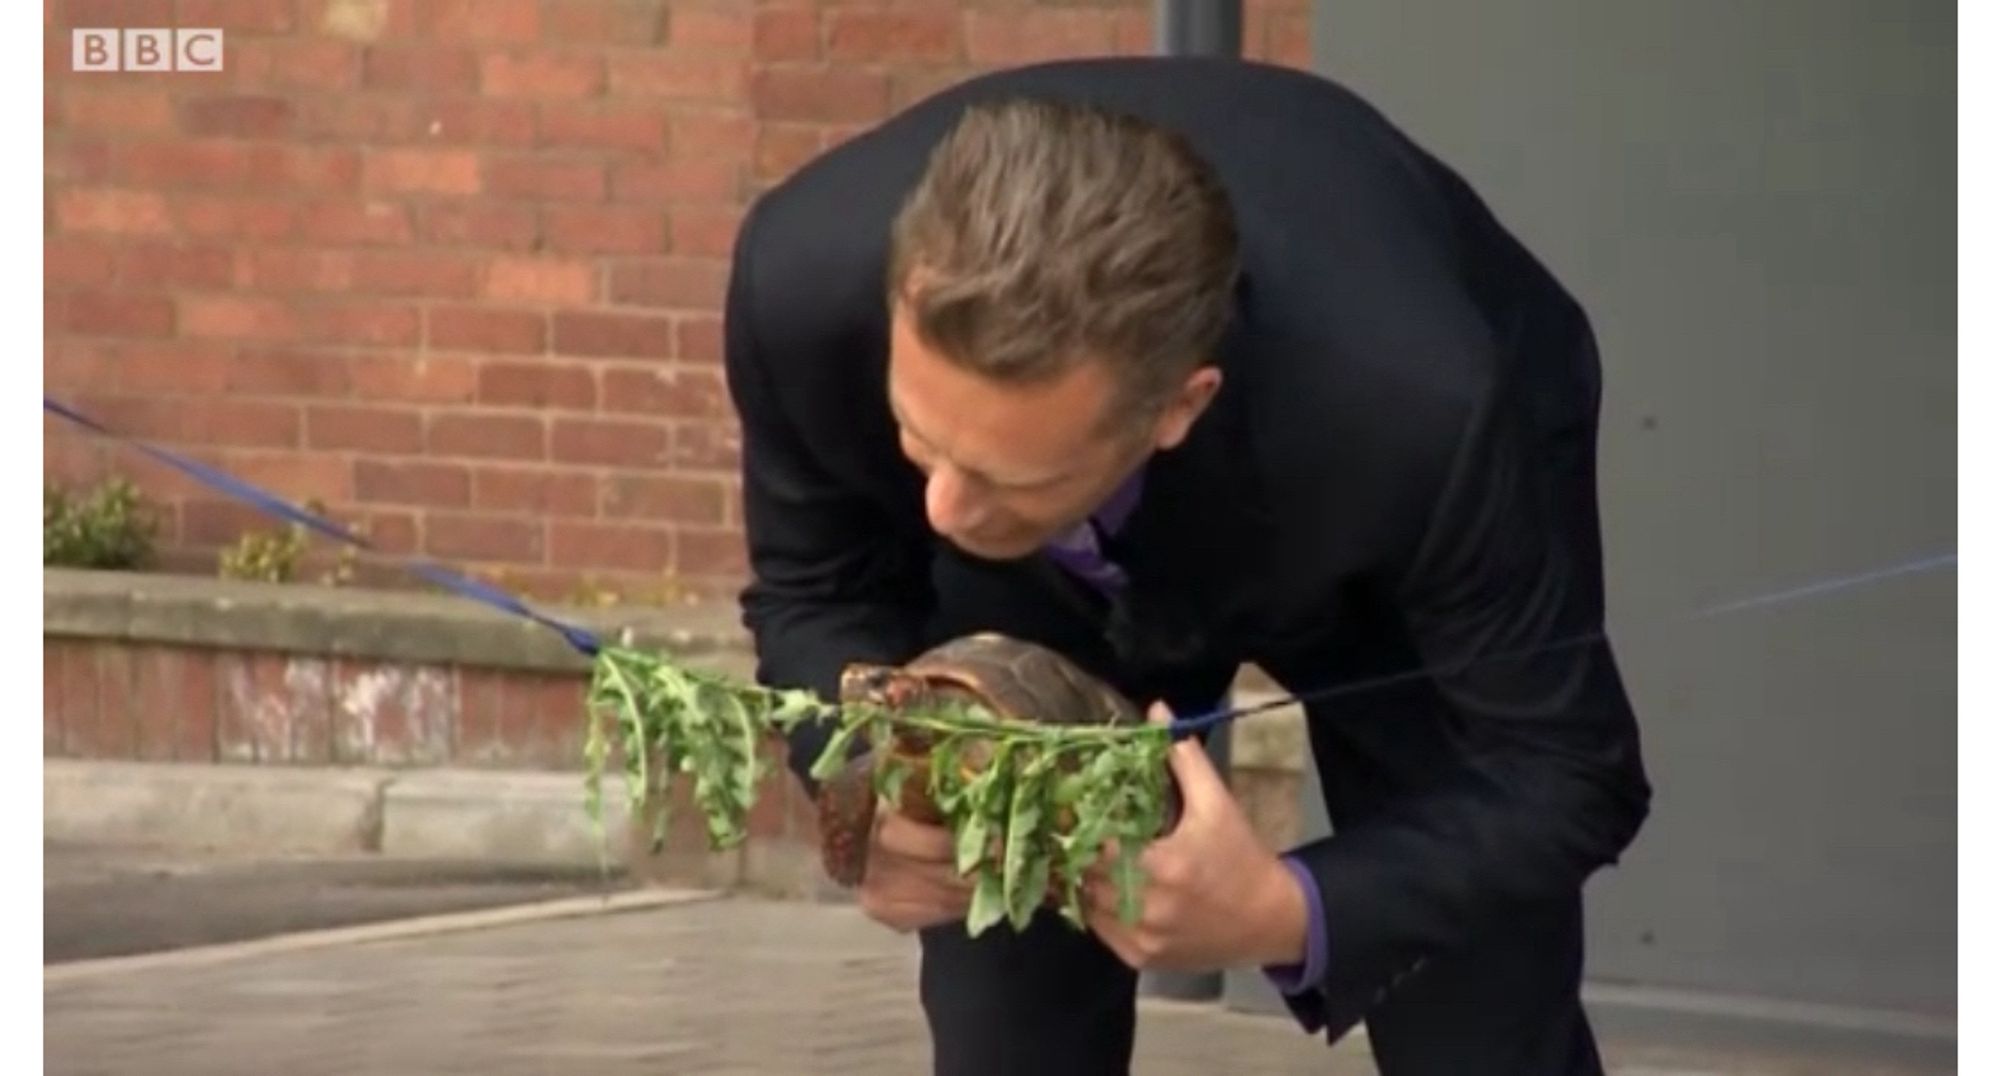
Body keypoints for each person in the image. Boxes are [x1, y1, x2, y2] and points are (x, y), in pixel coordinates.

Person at [720, 54, 1652, 1076]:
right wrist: (860, 784)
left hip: (1376, 548)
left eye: (1003, 473)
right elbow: (815, 591)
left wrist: (1285, 908)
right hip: (1036, 590)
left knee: (1475, 1020)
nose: (941, 508)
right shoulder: (798, 286)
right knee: (1008, 1005)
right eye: (918, 437)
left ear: (1177, 404)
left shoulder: (1430, 410)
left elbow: (1564, 772)